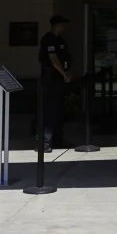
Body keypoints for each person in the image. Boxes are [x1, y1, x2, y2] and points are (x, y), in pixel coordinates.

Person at [38, 14, 73, 152]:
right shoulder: (49, 39)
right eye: (63, 25)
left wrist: (68, 72)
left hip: (60, 79)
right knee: (50, 111)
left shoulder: (61, 41)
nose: (64, 28)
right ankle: (45, 143)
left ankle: (58, 140)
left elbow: (67, 58)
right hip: (51, 78)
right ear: (56, 25)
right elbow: (53, 59)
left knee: (59, 111)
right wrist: (63, 73)